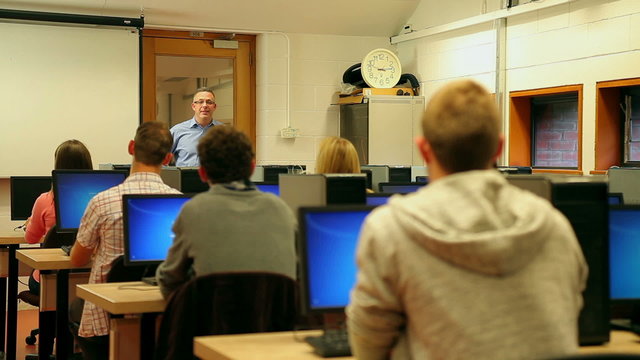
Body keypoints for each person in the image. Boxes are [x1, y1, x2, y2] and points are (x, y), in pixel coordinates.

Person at [346, 79, 588, 360]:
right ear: (498, 148)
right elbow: (571, 312)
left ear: (424, 150)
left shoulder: (391, 229)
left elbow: (369, 340)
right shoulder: (554, 225)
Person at [69, 121, 181, 360]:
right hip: (161, 316)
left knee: (73, 310)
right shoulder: (180, 204)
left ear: (131, 147)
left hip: (106, 318)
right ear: (168, 158)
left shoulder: (102, 201)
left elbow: (77, 260)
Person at [156, 126, 296, 299]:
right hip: (276, 324)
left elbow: (169, 280)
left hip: (211, 323)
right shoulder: (282, 209)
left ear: (202, 173)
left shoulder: (194, 211)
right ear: (252, 168)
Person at [24, 139, 93, 294]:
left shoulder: (45, 200)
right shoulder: (99, 202)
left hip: (51, 278)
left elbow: (31, 239)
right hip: (89, 278)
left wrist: (30, 223)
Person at [170, 87, 225, 167]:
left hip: (216, 178)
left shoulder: (224, 131)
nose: (205, 105)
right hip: (185, 178)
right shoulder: (177, 131)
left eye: (209, 102)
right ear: (193, 106)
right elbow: (161, 159)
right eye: (200, 102)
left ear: (214, 106)